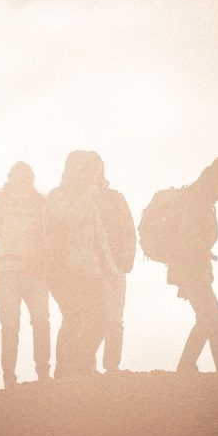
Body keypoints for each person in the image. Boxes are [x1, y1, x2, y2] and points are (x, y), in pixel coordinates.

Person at [0, 161, 51, 387]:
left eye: (26, 177)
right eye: (19, 176)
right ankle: (12, 377)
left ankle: (41, 372)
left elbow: (50, 238)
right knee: (13, 325)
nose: (22, 181)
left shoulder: (40, 205)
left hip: (32, 272)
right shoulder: (2, 204)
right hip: (10, 272)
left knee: (38, 321)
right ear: (12, 178)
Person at [167, 156, 218, 374]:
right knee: (209, 318)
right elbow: (188, 236)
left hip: (195, 269)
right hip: (192, 270)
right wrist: (199, 256)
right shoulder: (198, 196)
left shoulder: (202, 196)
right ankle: (187, 366)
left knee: (217, 323)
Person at [45, 150, 119, 378]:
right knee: (75, 316)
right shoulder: (56, 196)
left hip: (91, 270)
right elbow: (70, 219)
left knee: (102, 319)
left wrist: (111, 269)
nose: (92, 178)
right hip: (64, 268)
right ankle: (64, 371)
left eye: (95, 173)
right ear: (76, 171)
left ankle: (79, 365)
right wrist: (88, 195)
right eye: (89, 172)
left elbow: (100, 238)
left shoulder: (90, 199)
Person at [87, 153, 136, 373]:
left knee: (112, 317)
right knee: (95, 316)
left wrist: (126, 261)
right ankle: (93, 365)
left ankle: (110, 365)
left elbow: (128, 230)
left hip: (112, 265)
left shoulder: (113, 198)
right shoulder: (84, 199)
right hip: (89, 267)